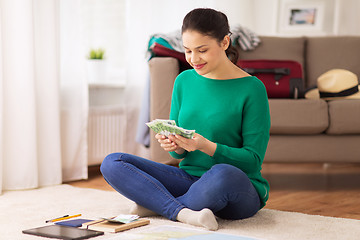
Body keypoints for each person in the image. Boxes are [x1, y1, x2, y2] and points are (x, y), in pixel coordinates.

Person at [100, 8, 270, 231]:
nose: (193, 59)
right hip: (189, 179)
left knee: (223, 172)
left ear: (225, 42)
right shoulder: (183, 81)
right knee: (113, 162)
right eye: (188, 50)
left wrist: (205, 146)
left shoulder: (252, 88)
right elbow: (177, 154)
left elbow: (253, 159)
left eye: (202, 50)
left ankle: (159, 204)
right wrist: (174, 145)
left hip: (236, 187)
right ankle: (183, 212)